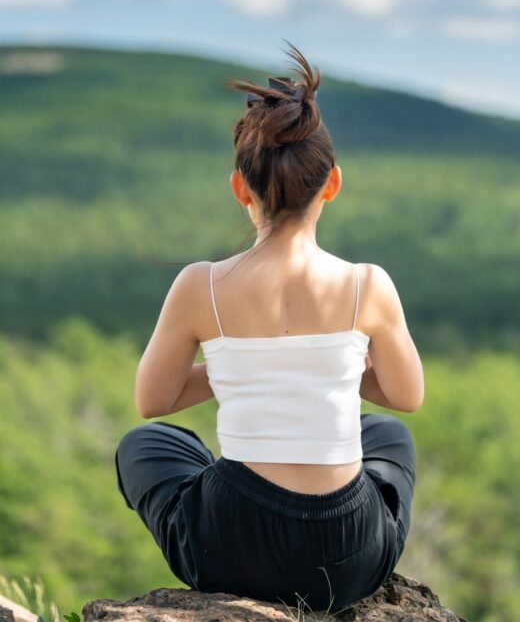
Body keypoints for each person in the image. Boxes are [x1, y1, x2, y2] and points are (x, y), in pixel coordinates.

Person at [114, 41, 424, 614]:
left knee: (148, 444)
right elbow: (406, 396)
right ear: (331, 183)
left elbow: (151, 402)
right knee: (387, 435)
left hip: (232, 548)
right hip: (347, 557)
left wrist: (238, 366)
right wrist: (320, 365)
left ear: (240, 188)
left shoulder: (199, 285)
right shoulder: (367, 284)